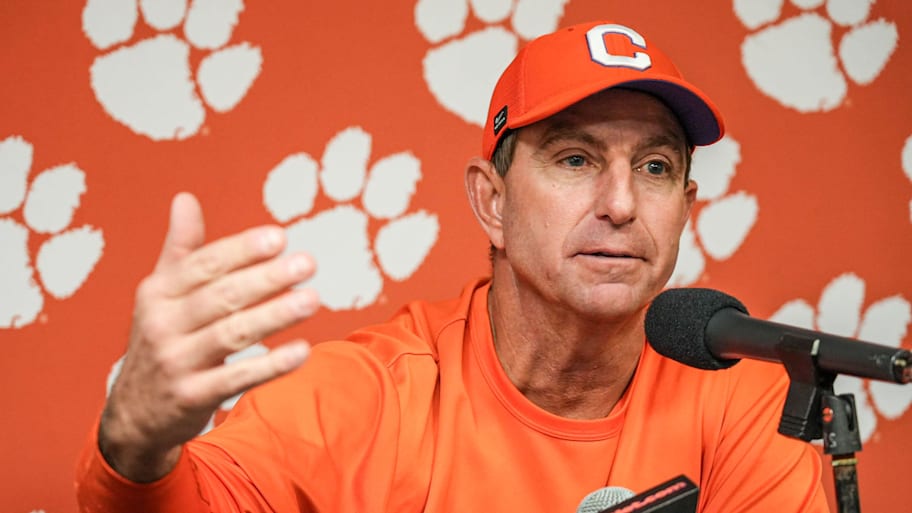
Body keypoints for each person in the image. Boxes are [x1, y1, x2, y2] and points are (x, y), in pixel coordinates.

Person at [75, 20, 830, 513]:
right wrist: (134, 441)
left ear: (686, 207)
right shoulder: (369, 395)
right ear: (491, 202)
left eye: (655, 167)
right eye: (575, 158)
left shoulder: (749, 397)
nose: (622, 203)